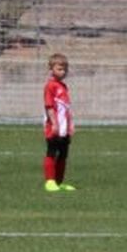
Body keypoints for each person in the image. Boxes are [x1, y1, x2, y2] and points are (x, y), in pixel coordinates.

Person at [42, 53, 75, 193]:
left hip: (64, 127)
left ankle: (59, 182)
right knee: (52, 152)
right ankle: (49, 181)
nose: (63, 72)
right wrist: (54, 123)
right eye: (59, 69)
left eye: (65, 69)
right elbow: (49, 106)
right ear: (51, 69)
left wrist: (71, 124)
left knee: (63, 154)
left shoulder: (64, 86)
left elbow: (66, 108)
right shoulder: (50, 86)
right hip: (54, 126)